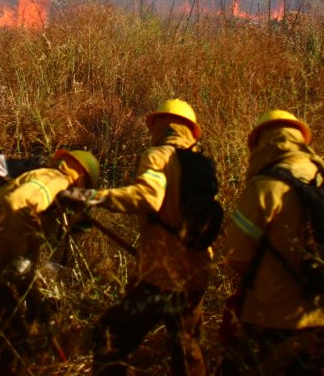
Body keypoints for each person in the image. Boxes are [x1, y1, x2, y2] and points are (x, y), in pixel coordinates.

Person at [65, 99, 213, 376]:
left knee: (110, 335)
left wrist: (90, 197)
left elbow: (146, 197)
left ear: (158, 124)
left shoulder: (158, 156)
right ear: (191, 131)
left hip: (162, 277)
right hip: (196, 273)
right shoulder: (203, 164)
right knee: (186, 347)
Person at [0, 148, 100, 373]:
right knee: (14, 341)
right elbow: (17, 202)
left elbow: (28, 252)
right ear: (82, 179)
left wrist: (34, 300)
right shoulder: (56, 180)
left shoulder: (47, 197)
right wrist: (19, 257)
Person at [219, 110, 324, 375]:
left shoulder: (265, 186)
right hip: (323, 314)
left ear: (262, 143)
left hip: (271, 315)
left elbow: (236, 253)